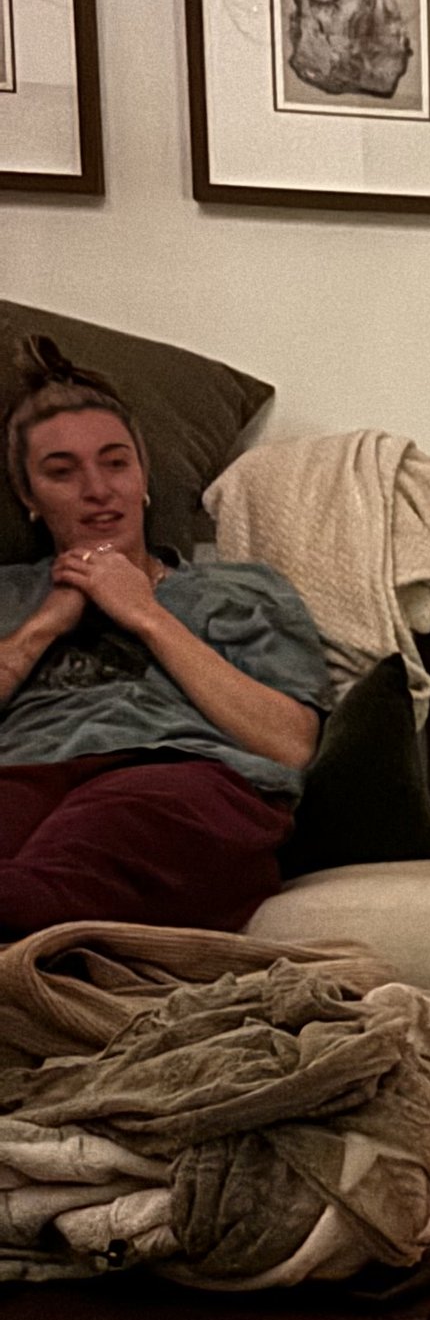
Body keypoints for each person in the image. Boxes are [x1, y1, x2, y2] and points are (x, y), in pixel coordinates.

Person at [0, 337, 328, 938]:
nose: (98, 489)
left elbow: (290, 744)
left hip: (181, 775)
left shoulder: (242, 590)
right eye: (61, 472)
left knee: (41, 893)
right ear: (27, 497)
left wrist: (146, 614)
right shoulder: (10, 598)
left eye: (116, 462)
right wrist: (44, 624)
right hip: (23, 771)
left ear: (145, 476)